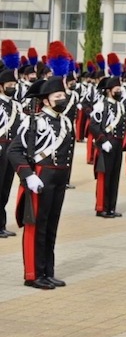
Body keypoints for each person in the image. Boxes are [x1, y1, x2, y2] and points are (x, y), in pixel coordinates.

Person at [8, 42, 76, 289]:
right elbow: (14, 151)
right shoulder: (34, 122)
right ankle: (33, 274)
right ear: (46, 100)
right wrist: (28, 176)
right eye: (58, 97)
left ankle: (47, 271)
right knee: (36, 227)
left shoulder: (65, 123)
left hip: (58, 179)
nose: (62, 99)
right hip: (40, 177)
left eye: (63, 96)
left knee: (51, 227)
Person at [89, 72, 126, 218]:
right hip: (106, 144)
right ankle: (101, 207)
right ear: (109, 91)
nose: (119, 91)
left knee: (114, 177)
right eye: (117, 89)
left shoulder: (120, 106)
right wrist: (103, 141)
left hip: (117, 145)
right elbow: (93, 125)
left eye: (120, 89)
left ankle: (111, 207)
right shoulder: (101, 105)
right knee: (105, 177)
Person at [0, 61, 23, 239]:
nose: (12, 87)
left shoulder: (16, 106)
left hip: (11, 149)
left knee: (5, 187)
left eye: (14, 85)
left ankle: (1, 224)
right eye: (9, 85)